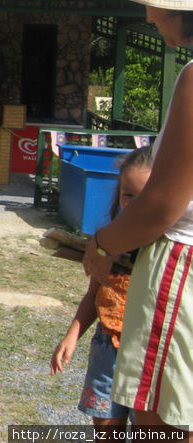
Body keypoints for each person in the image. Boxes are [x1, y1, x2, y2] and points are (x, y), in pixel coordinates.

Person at [83, 0, 193, 436]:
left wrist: (102, 244)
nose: (148, 14)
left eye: (152, 0)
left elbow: (161, 205)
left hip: (179, 263)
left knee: (159, 417)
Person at [51, 146, 154, 435]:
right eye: (127, 195)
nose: (133, 204)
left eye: (143, 196)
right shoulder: (107, 242)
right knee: (107, 432)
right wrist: (71, 337)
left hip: (148, 354)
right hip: (107, 352)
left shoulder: (165, 250)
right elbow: (94, 295)